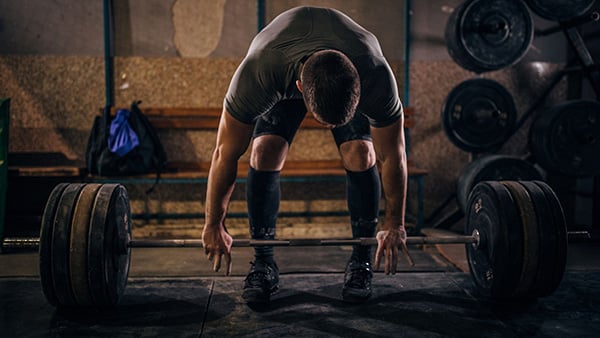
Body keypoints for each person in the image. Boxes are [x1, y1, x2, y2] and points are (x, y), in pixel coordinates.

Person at [202, 6, 408, 304]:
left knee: (363, 152)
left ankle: (362, 261)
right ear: (299, 88)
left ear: (360, 88)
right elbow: (225, 153)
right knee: (263, 151)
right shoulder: (260, 72)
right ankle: (263, 261)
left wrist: (395, 224)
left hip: (344, 68)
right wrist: (213, 224)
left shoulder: (375, 73)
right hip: (283, 68)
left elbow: (393, 154)